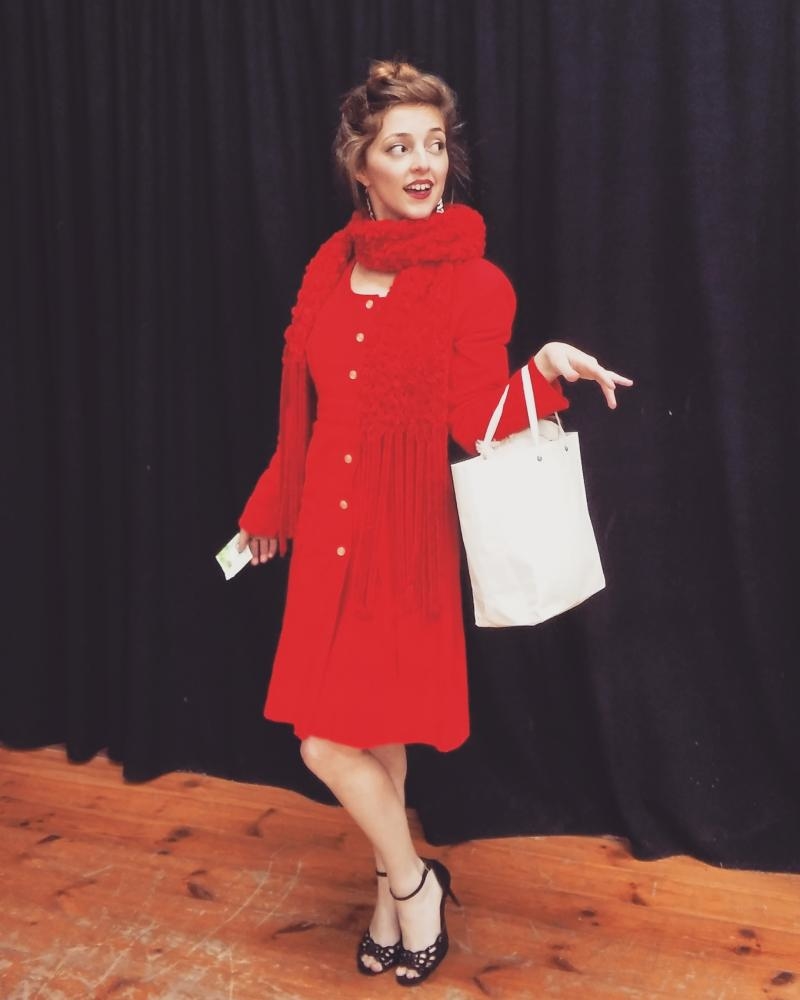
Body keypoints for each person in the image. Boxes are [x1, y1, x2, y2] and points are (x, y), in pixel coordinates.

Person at [237, 59, 632, 986]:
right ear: (360, 166)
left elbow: (474, 421)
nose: (423, 164)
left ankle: (411, 889)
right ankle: (405, 886)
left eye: (436, 145)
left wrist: (545, 370)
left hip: (402, 540)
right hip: (326, 532)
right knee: (359, 738)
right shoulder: (329, 269)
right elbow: (306, 409)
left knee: (338, 739)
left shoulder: (474, 284)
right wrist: (272, 502)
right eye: (399, 147)